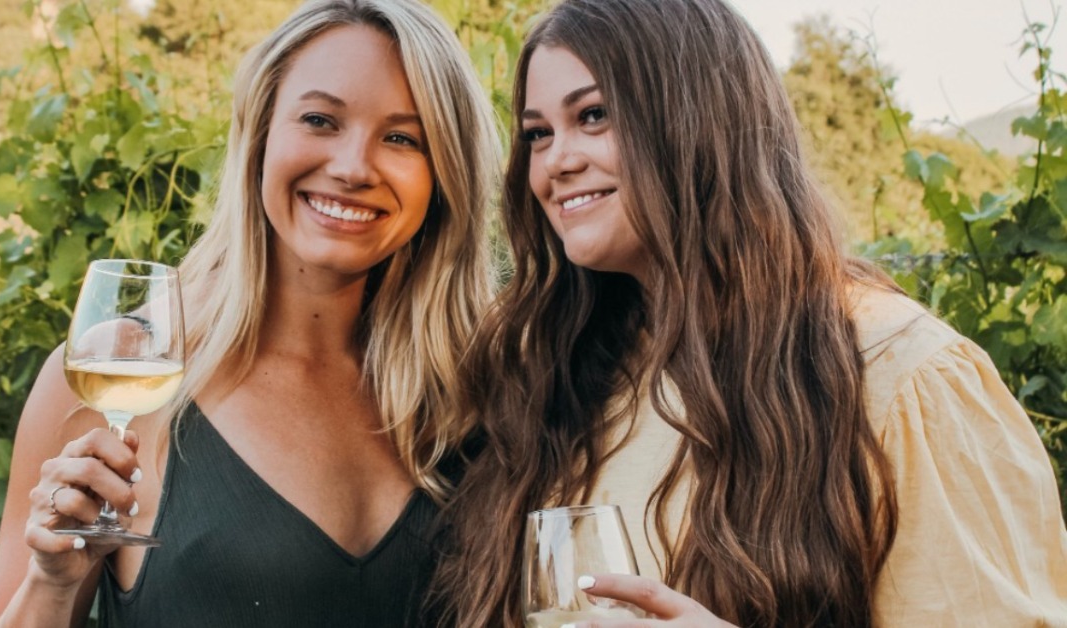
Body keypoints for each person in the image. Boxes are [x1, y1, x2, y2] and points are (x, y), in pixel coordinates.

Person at [427, 0, 1067, 626]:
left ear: (700, 121)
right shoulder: (554, 374)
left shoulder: (900, 376)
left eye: (594, 115)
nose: (557, 161)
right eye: (538, 133)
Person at [0, 0, 500, 625]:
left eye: (401, 138)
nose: (355, 166)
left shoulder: (486, 387)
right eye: (320, 120)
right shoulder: (121, 372)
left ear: (443, 173)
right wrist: (52, 581)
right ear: (260, 134)